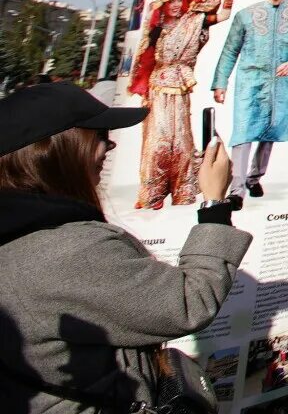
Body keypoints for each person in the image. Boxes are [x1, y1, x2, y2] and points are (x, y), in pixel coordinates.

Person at [0, 83, 250, 413]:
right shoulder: (64, 250)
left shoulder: (17, 233)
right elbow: (189, 303)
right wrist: (215, 205)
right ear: (55, 151)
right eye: (98, 134)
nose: (109, 144)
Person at [127, 0, 234, 209]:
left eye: (179, 1)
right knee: (158, 141)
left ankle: (182, 190)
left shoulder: (193, 21)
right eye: (172, 1)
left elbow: (224, 15)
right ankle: (153, 193)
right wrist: (143, 91)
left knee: (182, 141)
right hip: (158, 88)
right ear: (164, 4)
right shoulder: (157, 26)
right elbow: (145, 59)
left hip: (181, 87)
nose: (176, 5)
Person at [210, 0, 288, 201]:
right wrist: (220, 82)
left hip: (281, 81)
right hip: (250, 81)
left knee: (271, 132)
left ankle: (254, 177)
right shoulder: (245, 15)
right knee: (243, 131)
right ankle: (236, 189)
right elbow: (230, 50)